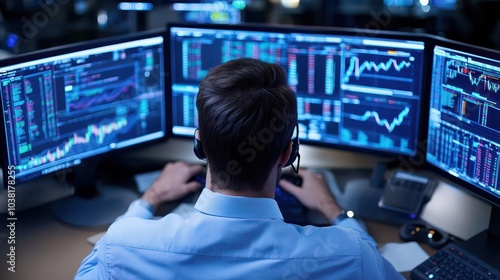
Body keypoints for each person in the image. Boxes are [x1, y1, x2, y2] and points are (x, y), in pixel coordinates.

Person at [75, 58, 402, 279]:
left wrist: (151, 198)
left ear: (200, 144)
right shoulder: (348, 256)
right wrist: (333, 209)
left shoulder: (123, 245)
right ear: (287, 153)